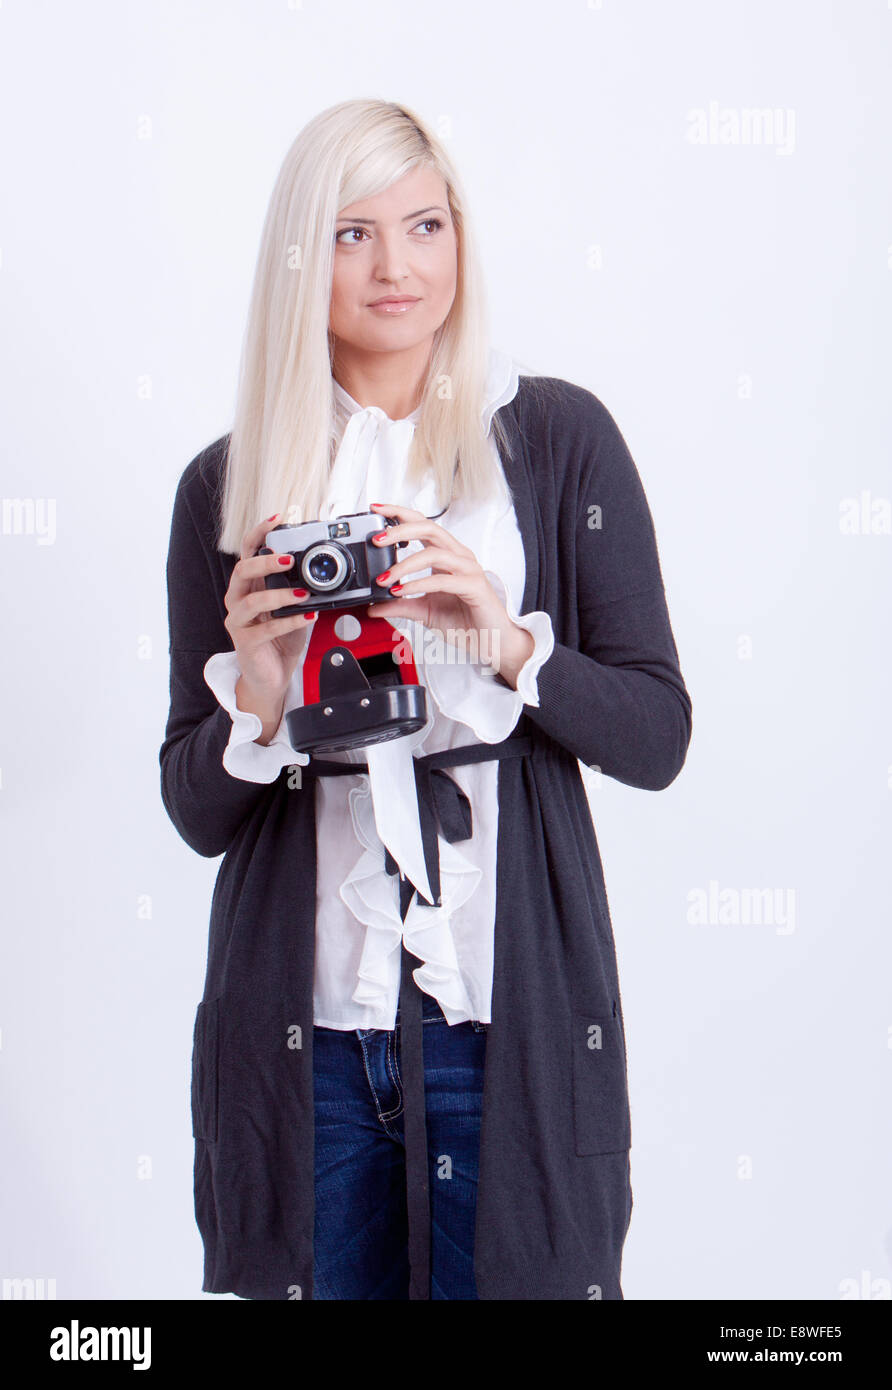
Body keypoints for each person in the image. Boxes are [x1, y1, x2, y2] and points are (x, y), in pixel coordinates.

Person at [160, 98, 693, 1301]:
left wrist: (504, 644)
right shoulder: (227, 488)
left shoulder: (555, 441)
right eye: (352, 232)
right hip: (310, 1040)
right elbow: (195, 813)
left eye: (425, 224)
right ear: (303, 256)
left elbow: (657, 736)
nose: (397, 266)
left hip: (509, 1023)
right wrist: (254, 686)